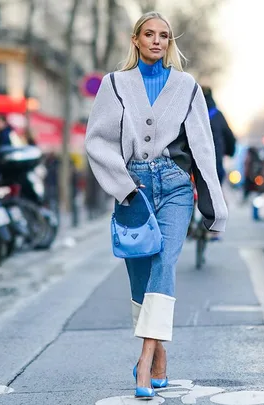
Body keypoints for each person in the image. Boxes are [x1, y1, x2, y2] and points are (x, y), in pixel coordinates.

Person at [84, 11, 228, 399]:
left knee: (164, 262)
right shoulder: (115, 85)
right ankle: (161, 351)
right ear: (136, 39)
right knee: (140, 274)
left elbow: (202, 146)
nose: (157, 41)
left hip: (175, 185)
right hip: (133, 186)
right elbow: (97, 142)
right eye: (149, 34)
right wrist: (124, 188)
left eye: (164, 35)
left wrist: (214, 204)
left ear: (169, 42)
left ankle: (145, 362)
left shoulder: (187, 87)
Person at [201, 86, 236, 183]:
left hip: (193, 164)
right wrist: (230, 152)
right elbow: (229, 137)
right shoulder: (217, 115)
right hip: (214, 163)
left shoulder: (189, 113)